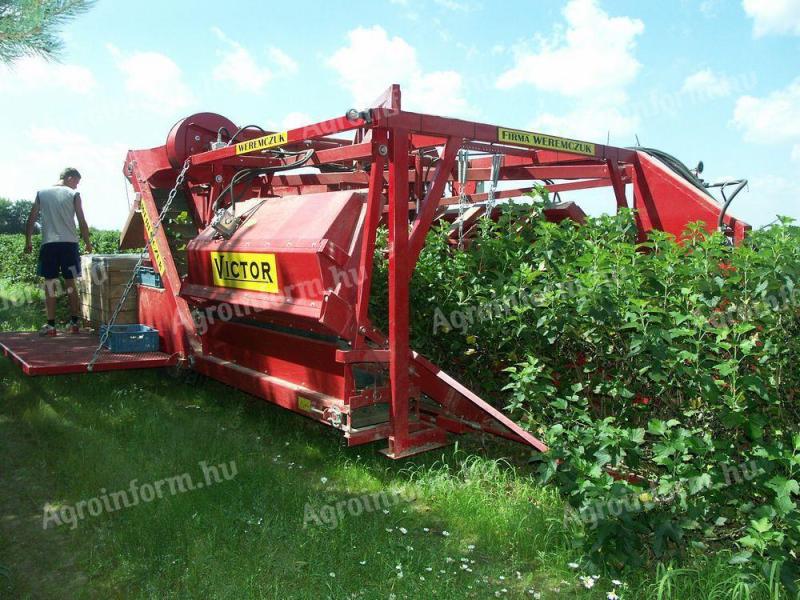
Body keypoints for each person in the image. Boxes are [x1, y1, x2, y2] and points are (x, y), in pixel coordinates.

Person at [24, 167, 93, 336]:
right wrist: (87, 243)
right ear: (69, 178)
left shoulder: (41, 193)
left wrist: (28, 241)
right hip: (69, 244)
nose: (76, 186)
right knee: (71, 283)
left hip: (49, 244)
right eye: (76, 181)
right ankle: (75, 323)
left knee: (50, 284)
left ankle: (51, 326)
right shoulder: (73, 195)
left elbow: (31, 219)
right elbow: (82, 220)